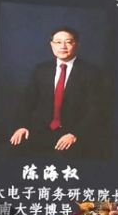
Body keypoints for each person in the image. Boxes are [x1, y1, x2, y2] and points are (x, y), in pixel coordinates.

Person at [9, 26, 106, 159]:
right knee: (12, 152)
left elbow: (96, 109)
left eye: (68, 42)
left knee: (64, 159)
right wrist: (22, 126)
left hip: (72, 132)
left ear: (77, 45)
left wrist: (75, 134)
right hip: (41, 130)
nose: (63, 46)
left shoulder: (91, 72)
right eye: (58, 42)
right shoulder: (41, 69)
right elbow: (27, 101)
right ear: (52, 45)